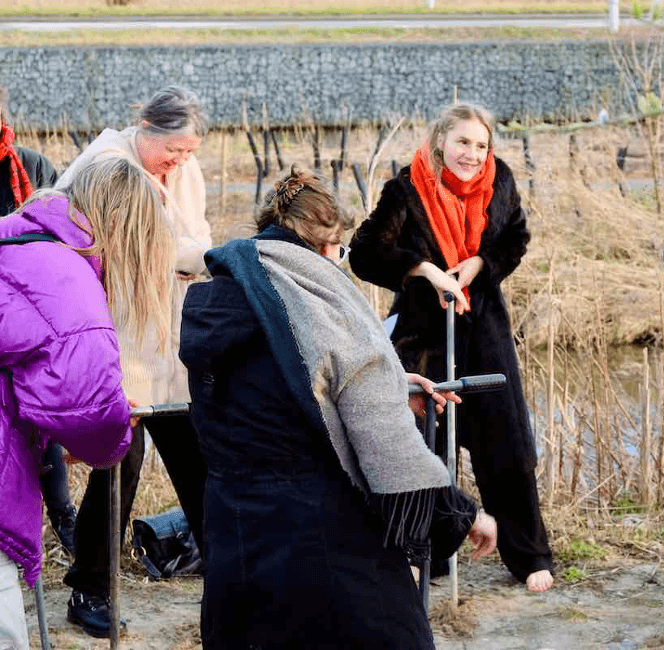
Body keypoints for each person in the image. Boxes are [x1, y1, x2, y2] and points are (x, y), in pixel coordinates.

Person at [180, 165, 497, 649]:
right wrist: (460, 513)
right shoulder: (322, 303)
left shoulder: (217, 296)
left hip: (237, 533)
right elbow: (382, 433)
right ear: (327, 246)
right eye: (341, 251)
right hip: (324, 536)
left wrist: (390, 381)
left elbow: (281, 390)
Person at [350, 103, 554, 592]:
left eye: (481, 145)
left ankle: (527, 555)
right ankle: (428, 553)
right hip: (422, 331)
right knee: (423, 443)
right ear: (440, 140)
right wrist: (425, 269)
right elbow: (364, 252)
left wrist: (479, 264)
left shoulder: (499, 181)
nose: (472, 154)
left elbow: (515, 238)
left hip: (484, 325)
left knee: (507, 441)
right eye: (462, 142)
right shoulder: (405, 189)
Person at [57, 86, 212, 638]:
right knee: (119, 460)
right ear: (145, 126)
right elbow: (151, 246)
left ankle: (232, 571)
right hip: (119, 337)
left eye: (190, 152)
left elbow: (196, 235)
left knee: (200, 452)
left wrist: (202, 258)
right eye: (175, 149)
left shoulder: (184, 172)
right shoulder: (104, 166)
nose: (182, 161)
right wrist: (212, 259)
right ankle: (89, 588)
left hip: (172, 337)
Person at [0, 155, 173, 650]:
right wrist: (115, 427)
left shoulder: (14, 231)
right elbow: (91, 408)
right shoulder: (68, 279)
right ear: (121, 225)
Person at [0, 86, 76, 554]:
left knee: (38, 408)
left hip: (26, 314)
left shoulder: (31, 165)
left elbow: (61, 236)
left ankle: (62, 512)